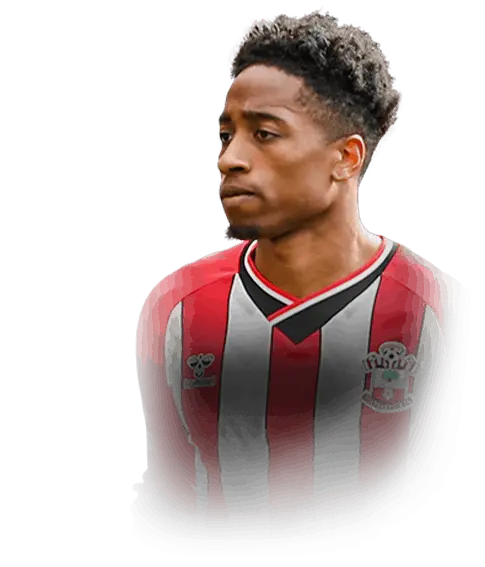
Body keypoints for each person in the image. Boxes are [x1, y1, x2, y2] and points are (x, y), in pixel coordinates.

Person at [132, 10, 466, 557]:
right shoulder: (174, 310)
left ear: (346, 157)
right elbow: (171, 496)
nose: (229, 160)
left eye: (264, 134)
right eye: (226, 135)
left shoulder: (440, 311)